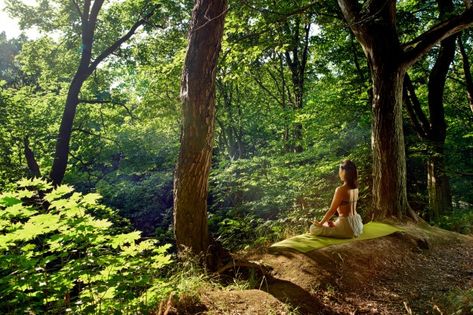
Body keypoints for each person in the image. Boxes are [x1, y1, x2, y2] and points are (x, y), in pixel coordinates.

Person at [309, 160, 363, 238]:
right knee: (328, 224)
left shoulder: (340, 190)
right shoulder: (356, 188)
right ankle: (336, 225)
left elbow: (332, 210)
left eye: (340, 170)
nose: (339, 173)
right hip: (357, 224)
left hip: (346, 228)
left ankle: (337, 228)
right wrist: (334, 224)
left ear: (344, 171)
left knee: (313, 228)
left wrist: (320, 223)